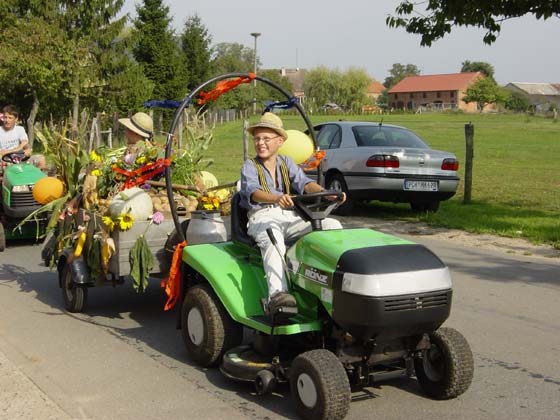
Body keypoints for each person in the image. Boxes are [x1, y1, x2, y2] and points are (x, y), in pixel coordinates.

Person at [239, 112, 345, 314]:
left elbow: (305, 184)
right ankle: (278, 296)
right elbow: (254, 192)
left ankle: (332, 287)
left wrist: (327, 194)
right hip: (262, 217)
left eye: (266, 139)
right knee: (273, 238)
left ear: (279, 141)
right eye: (257, 139)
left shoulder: (286, 163)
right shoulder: (250, 166)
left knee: (332, 226)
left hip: (290, 217)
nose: (261, 143)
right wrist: (276, 198)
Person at [0, 105, 46, 169]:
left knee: (41, 159)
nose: (7, 120)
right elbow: (1, 153)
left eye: (10, 118)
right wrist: (18, 149)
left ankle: (35, 178)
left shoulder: (20, 129)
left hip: (20, 159)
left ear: (16, 119)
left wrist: (28, 150)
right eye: (5, 117)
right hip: (4, 161)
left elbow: (25, 144)